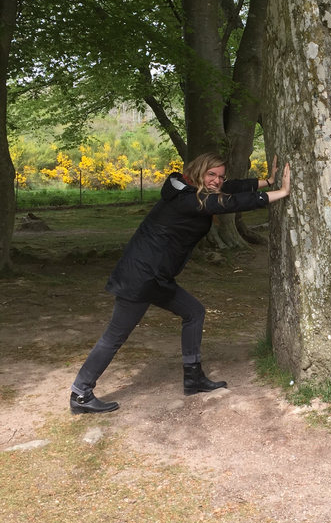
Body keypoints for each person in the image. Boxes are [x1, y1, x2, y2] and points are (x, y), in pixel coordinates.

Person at [69, 152, 291, 414]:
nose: (217, 181)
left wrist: (267, 181)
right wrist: (281, 192)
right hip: (141, 277)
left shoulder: (190, 188)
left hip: (157, 277)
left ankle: (193, 377)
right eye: (211, 174)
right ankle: (81, 393)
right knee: (115, 336)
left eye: (220, 176)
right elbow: (226, 203)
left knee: (193, 312)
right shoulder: (187, 199)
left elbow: (231, 188)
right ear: (198, 171)